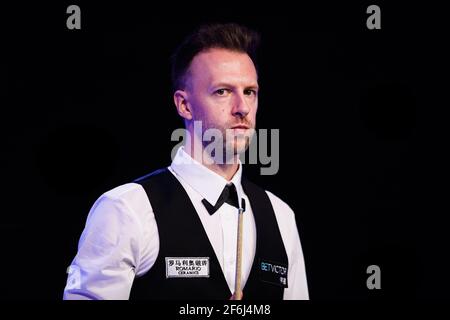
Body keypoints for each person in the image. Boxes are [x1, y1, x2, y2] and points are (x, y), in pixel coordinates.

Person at [63, 23, 309, 300]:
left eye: (250, 91)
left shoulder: (281, 216)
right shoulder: (127, 209)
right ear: (185, 105)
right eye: (223, 91)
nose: (242, 108)